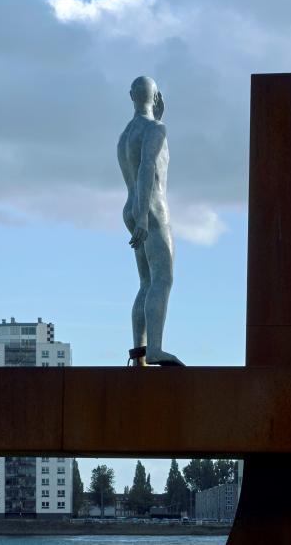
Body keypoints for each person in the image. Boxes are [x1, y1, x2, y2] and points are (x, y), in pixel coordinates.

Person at [118, 76, 185, 366]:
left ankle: (140, 352)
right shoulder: (156, 129)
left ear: (131, 95)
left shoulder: (126, 134)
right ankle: (155, 349)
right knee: (163, 278)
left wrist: (138, 213)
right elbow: (147, 167)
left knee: (145, 282)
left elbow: (137, 162)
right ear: (156, 96)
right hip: (152, 208)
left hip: (130, 206)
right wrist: (145, 215)